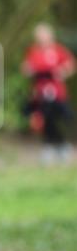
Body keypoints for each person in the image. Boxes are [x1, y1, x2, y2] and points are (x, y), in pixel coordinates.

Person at [22, 23, 75, 163]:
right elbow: (26, 68)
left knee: (63, 118)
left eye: (43, 35)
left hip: (57, 92)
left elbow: (70, 65)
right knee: (44, 120)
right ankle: (49, 147)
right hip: (40, 93)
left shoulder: (58, 50)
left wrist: (62, 72)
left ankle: (63, 145)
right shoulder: (33, 51)